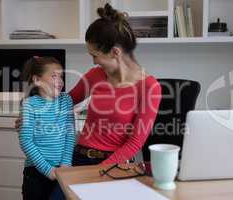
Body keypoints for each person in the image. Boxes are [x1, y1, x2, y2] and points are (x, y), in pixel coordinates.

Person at [16, 3, 161, 167]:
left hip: (114, 164)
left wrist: (99, 171)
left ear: (115, 53)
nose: (93, 62)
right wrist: (31, 114)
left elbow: (135, 143)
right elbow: (62, 103)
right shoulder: (95, 75)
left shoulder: (150, 87)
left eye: (95, 55)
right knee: (57, 193)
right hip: (79, 157)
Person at [19, 56, 75, 200]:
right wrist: (47, 169)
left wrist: (66, 164)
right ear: (37, 80)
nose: (60, 81)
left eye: (61, 76)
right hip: (36, 172)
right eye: (54, 76)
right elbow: (26, 141)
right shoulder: (29, 104)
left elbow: (70, 134)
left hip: (62, 170)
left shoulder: (66, 100)